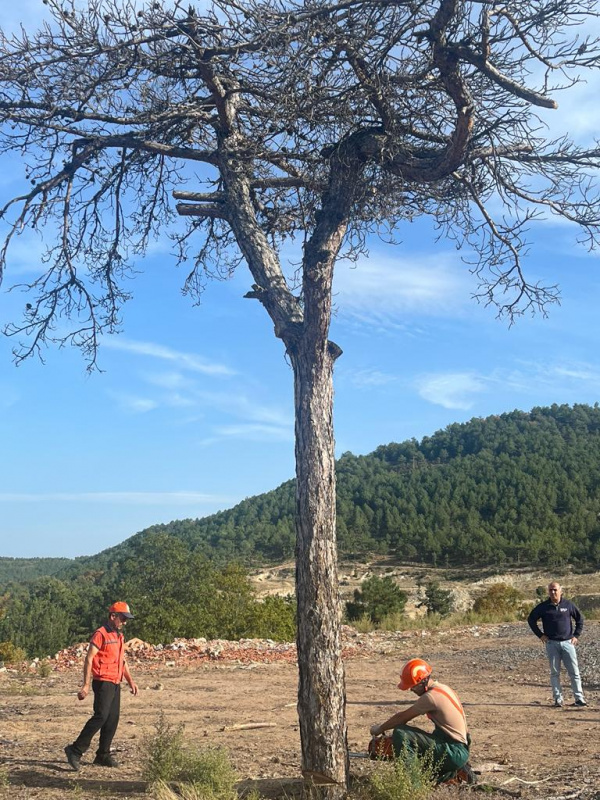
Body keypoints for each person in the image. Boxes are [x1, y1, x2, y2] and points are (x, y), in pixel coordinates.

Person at [369, 658, 473, 784]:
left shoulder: (430, 697)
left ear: (422, 682)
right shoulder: (443, 688)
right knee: (420, 744)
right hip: (459, 747)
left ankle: (412, 784)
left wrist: (380, 729)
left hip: (454, 751)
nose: (411, 690)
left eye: (412, 687)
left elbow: (401, 718)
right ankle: (448, 771)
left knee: (401, 733)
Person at [64, 601, 139, 771]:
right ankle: (75, 750)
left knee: (112, 719)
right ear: (113, 616)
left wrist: (131, 681)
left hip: (115, 681)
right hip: (103, 681)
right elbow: (89, 658)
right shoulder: (101, 633)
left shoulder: (119, 636)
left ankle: (103, 754)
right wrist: (85, 685)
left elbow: (122, 661)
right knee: (101, 716)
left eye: (126, 619)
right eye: (123, 618)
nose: (125, 622)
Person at [527, 581, 586, 708]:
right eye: (550, 590)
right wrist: (540, 635)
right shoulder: (543, 607)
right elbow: (531, 619)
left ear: (560, 591)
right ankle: (558, 699)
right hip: (552, 644)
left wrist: (576, 635)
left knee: (574, 672)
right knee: (555, 673)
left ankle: (579, 699)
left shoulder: (568, 605)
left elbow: (580, 619)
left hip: (568, 643)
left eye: (555, 590)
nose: (553, 592)